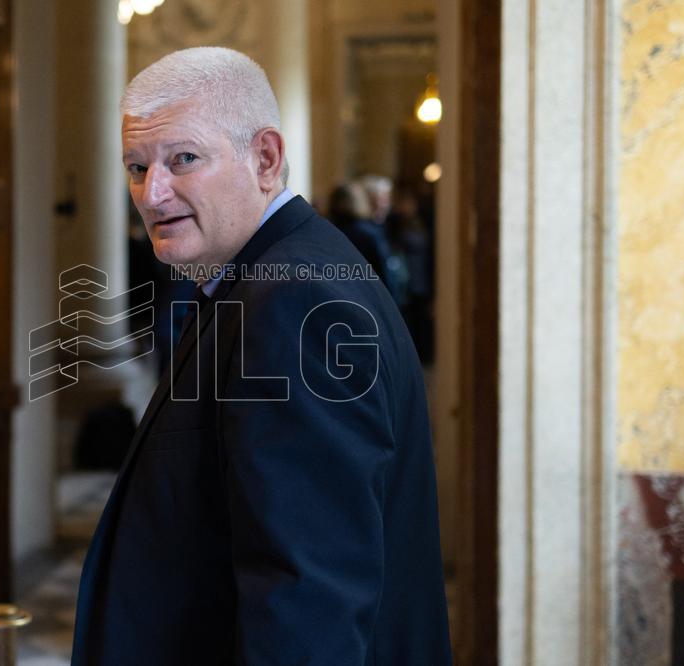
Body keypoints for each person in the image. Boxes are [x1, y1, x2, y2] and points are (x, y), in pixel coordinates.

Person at [72, 47, 451, 665]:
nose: (152, 192)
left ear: (265, 159)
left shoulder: (293, 299)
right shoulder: (268, 274)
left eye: (183, 159)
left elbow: (307, 595)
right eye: (137, 167)